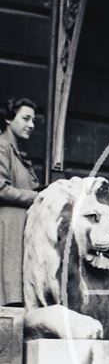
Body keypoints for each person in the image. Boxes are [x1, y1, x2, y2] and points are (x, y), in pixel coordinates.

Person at [0, 97, 40, 306]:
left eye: (33, 120)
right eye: (25, 118)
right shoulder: (2, 146)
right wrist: (36, 197)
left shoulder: (19, 153)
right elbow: (1, 188)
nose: (31, 125)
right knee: (9, 302)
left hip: (20, 234)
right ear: (8, 119)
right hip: (7, 234)